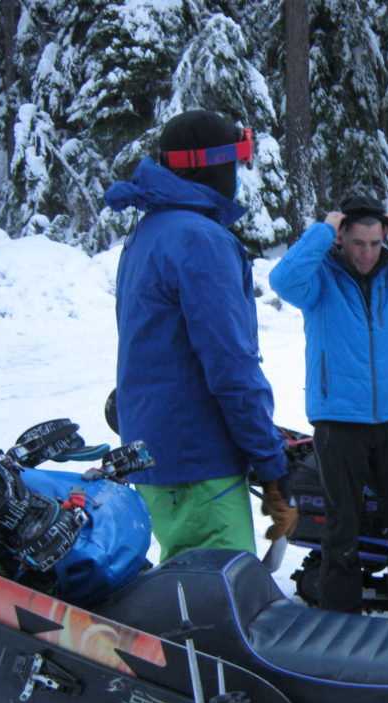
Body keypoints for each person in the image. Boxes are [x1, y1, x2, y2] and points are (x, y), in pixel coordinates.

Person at [104, 109, 296, 563]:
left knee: (188, 596)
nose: (238, 176)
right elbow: (231, 365)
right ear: (215, 165)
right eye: (236, 163)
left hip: (163, 457)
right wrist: (270, 464)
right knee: (215, 609)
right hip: (197, 462)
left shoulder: (150, 231)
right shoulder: (199, 239)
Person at [269, 195, 388, 620]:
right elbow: (282, 280)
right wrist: (322, 229)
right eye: (358, 243)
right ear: (341, 237)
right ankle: (342, 614)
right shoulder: (318, 277)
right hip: (338, 419)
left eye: (376, 243)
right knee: (343, 524)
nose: (367, 253)